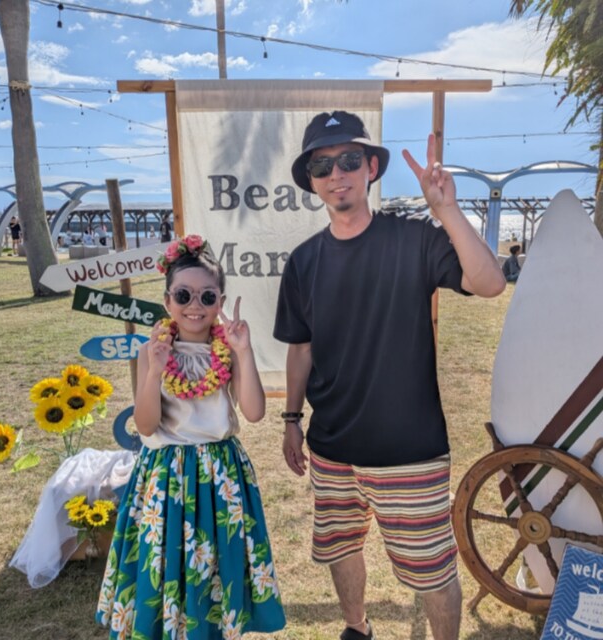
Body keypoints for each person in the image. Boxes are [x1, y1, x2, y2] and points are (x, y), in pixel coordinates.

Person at [274, 111, 506, 640]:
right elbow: (301, 347)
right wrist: (291, 420)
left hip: (410, 452)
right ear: (311, 180)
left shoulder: (416, 239)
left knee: (433, 572)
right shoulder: (303, 261)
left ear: (371, 168)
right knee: (340, 549)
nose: (337, 174)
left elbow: (490, 283)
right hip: (331, 449)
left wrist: (446, 210)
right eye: (322, 165)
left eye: (349, 160)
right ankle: (357, 627)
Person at [96, 234, 286, 639]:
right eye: (183, 295)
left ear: (220, 301)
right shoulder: (152, 351)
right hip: (165, 475)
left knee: (217, 562)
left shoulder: (228, 349)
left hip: (220, 475)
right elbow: (146, 425)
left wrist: (244, 351)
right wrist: (155, 370)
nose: (194, 306)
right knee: (167, 560)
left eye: (207, 296)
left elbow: (254, 412)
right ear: (168, 301)